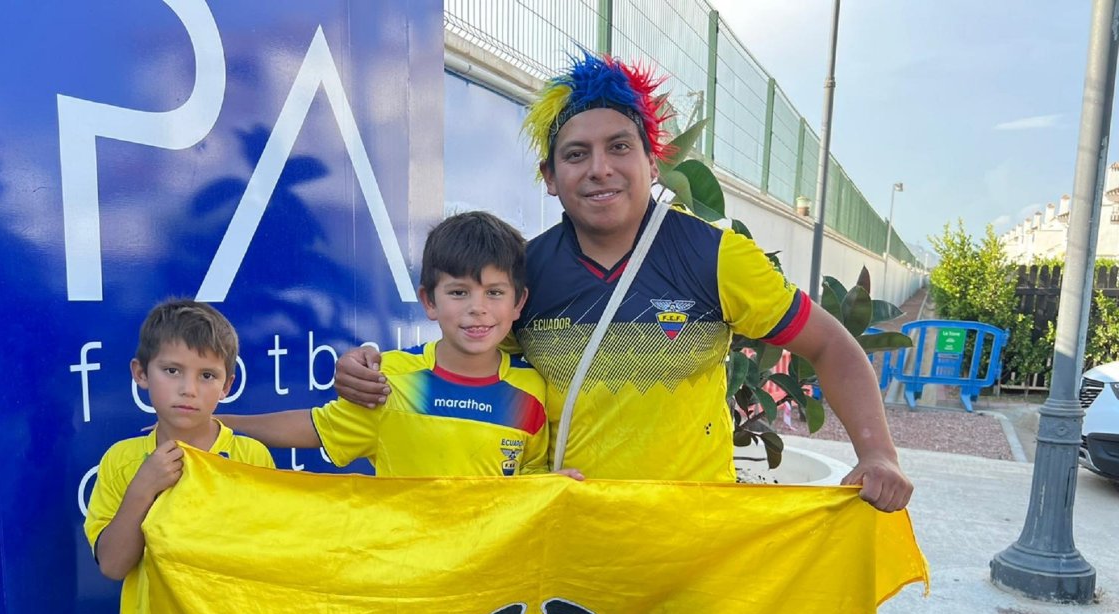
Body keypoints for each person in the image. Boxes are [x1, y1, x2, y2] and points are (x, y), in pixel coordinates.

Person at [335, 53, 912, 512]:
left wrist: (879, 455)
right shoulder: (526, 273)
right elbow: (468, 365)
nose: (600, 168)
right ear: (550, 178)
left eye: (619, 147)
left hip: (690, 535)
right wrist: (373, 368)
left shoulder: (718, 258)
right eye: (576, 154)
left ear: (652, 164)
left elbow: (831, 345)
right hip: (567, 532)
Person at [221, 211, 582, 479]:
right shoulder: (389, 379)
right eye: (459, 292)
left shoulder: (532, 391)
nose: (478, 308)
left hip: (488, 580)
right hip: (403, 578)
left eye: (495, 293)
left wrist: (551, 487)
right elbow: (316, 428)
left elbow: (531, 481)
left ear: (518, 303)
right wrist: (217, 424)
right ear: (429, 302)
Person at [84, 299, 275, 614]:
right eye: (172, 370)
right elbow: (112, 565)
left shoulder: (248, 457)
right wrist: (143, 489)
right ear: (141, 373)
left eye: (207, 376)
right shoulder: (122, 461)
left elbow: (269, 562)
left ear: (227, 385)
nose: (188, 389)